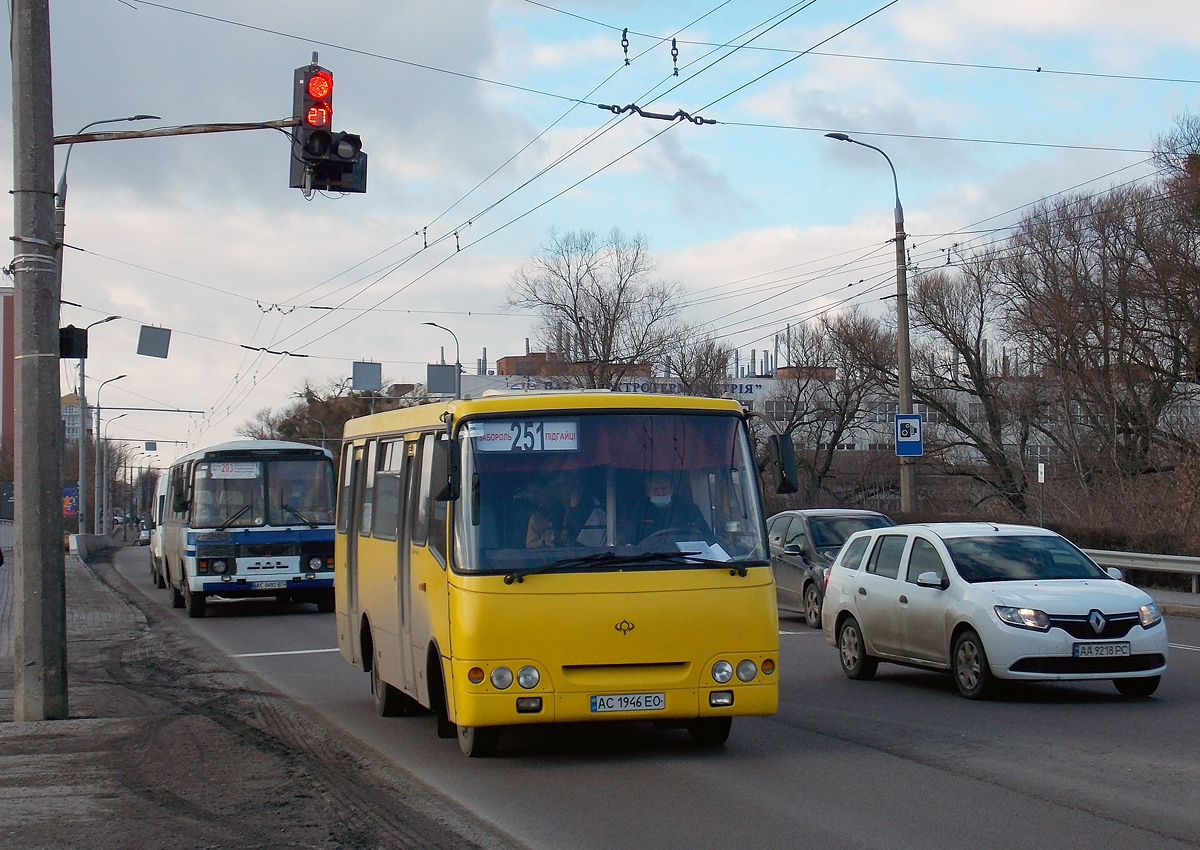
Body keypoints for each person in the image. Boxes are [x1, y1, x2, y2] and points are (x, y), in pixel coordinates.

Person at [629, 472, 709, 544]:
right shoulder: (640, 511)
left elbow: (707, 536)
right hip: (650, 557)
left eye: (664, 488)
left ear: (671, 489)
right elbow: (629, 538)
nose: (660, 493)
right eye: (655, 489)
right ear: (648, 493)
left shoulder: (689, 509)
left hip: (686, 556)